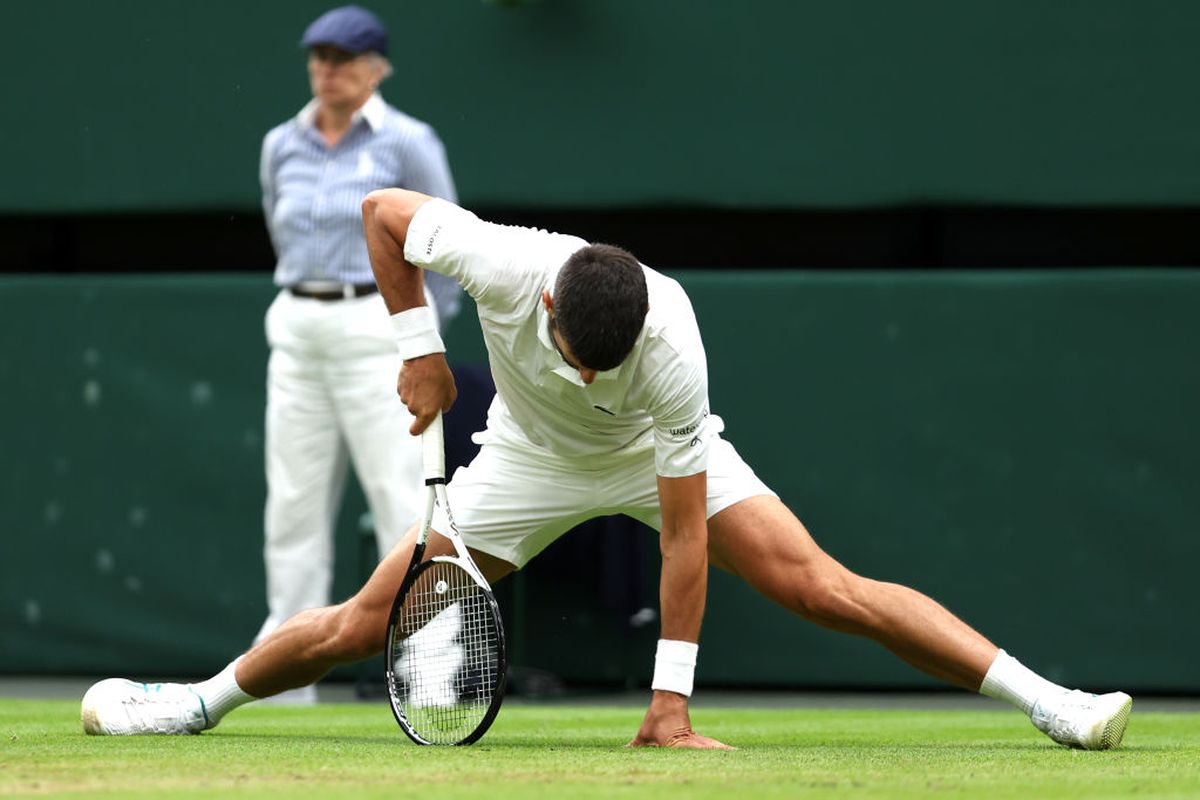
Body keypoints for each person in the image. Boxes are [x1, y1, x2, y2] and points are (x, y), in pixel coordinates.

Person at [81, 190, 1132, 750]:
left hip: (648, 458)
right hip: (524, 461)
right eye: (583, 359)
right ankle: (187, 703)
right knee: (369, 618)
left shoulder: (669, 346)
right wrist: (419, 347)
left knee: (826, 586)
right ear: (546, 311)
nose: (594, 371)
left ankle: (1053, 701)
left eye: (607, 363)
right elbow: (383, 214)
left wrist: (668, 702)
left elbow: (680, 535)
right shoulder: (498, 259)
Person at [253, 5, 462, 703]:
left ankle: (430, 667)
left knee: (403, 500)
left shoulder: (409, 142)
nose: (327, 69)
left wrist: (419, 344)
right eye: (318, 56)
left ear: (376, 68)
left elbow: (448, 247)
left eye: (343, 58)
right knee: (292, 506)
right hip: (297, 329)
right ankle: (283, 676)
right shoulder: (281, 142)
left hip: (379, 331)